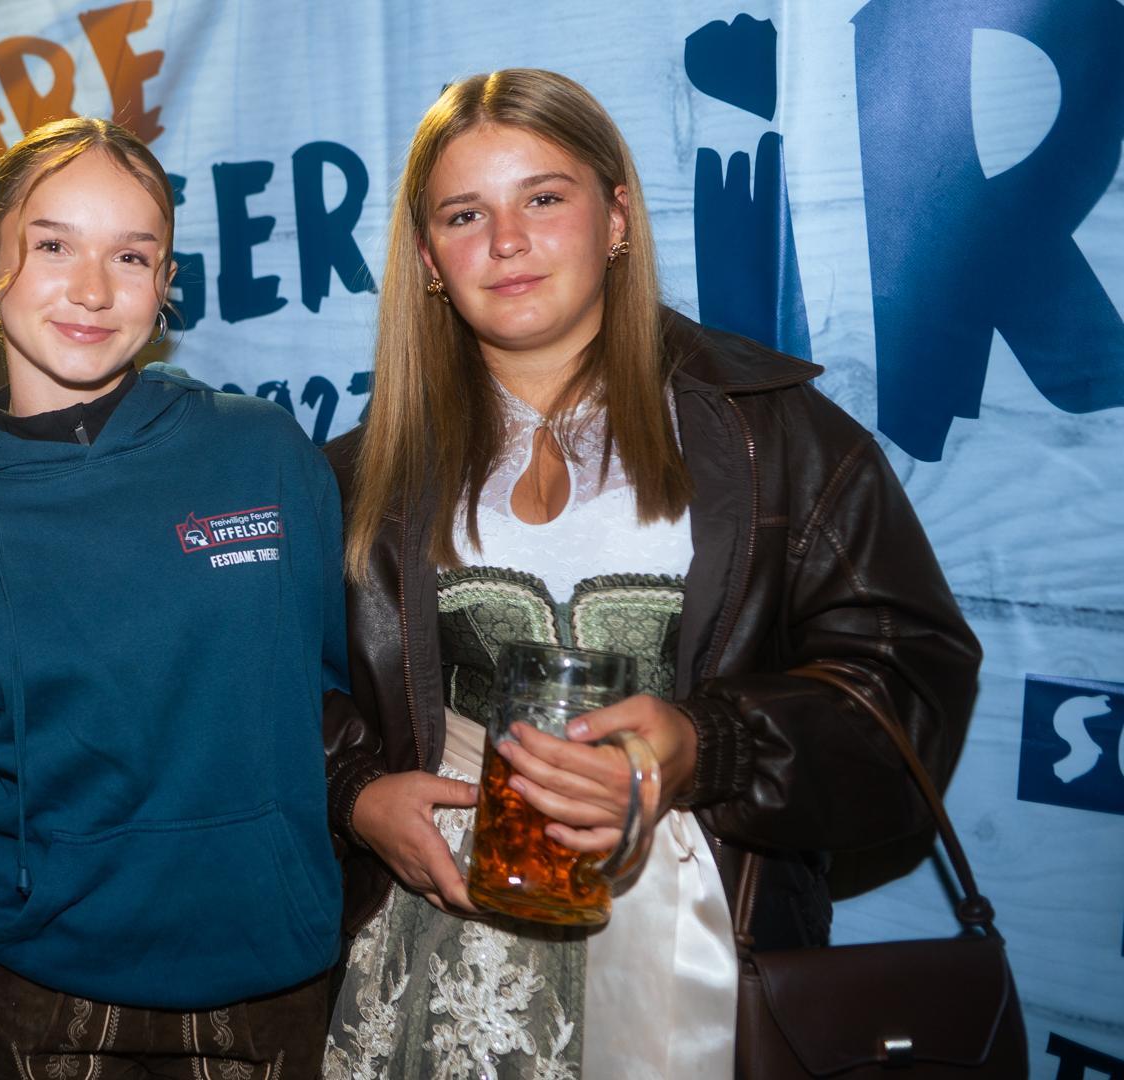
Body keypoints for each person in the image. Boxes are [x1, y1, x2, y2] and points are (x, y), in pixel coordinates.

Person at [321, 69, 979, 1080]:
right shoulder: (356, 476)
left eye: (545, 197)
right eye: (465, 214)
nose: (507, 241)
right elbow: (254, 692)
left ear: (617, 216)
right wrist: (358, 794)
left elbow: (910, 684)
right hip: (433, 946)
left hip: (698, 936)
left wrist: (704, 742)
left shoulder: (779, 434)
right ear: (426, 259)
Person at [0, 117, 347, 1080]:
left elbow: (339, 714)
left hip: (277, 995)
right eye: (52, 245)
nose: (92, 290)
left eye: (132, 256)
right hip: (40, 1011)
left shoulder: (268, 457)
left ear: (167, 282)